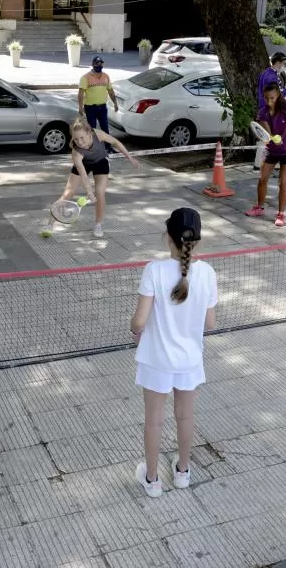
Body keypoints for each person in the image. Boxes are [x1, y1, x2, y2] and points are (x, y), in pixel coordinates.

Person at [130, 208, 218, 498]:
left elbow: (139, 322)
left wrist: (134, 327)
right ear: (198, 241)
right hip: (189, 360)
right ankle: (182, 472)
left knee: (153, 419)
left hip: (156, 359)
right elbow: (210, 322)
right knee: (185, 417)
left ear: (167, 237)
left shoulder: (153, 270)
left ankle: (152, 479)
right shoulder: (207, 273)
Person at [47, 117, 138, 238]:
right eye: (76, 139)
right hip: (84, 163)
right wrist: (89, 192)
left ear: (89, 133)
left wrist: (129, 157)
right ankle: (50, 223)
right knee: (68, 193)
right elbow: (84, 175)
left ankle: (98, 224)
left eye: (82, 138)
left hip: (100, 161)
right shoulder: (76, 152)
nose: (79, 141)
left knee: (100, 193)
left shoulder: (98, 134)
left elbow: (115, 142)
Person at [245, 82, 286, 227]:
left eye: (273, 98)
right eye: (267, 98)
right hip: (271, 151)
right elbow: (267, 133)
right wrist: (270, 139)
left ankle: (281, 214)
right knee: (262, 179)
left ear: (278, 95)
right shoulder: (263, 112)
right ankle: (259, 207)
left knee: (283, 183)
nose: (269, 101)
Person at [78, 56, 119, 153]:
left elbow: (110, 91)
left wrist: (115, 103)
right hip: (90, 107)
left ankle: (108, 147)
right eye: (97, 63)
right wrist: (80, 107)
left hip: (102, 107)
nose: (99, 65)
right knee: (92, 130)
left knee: (105, 128)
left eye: (101, 63)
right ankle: (93, 149)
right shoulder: (85, 78)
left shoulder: (106, 76)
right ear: (92, 64)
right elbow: (80, 94)